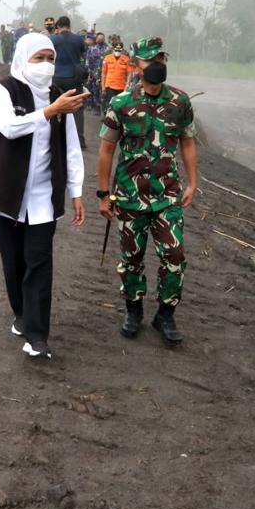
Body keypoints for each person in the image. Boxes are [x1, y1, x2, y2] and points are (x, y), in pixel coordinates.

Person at [0, 32, 88, 359]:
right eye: (39, 59)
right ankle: (22, 315)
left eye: (50, 59)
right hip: (5, 194)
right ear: (23, 59)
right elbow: (9, 127)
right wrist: (49, 111)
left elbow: (70, 147)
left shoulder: (58, 97)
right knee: (14, 263)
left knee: (39, 262)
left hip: (42, 197)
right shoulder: (2, 89)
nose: (46, 66)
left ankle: (37, 337)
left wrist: (75, 191)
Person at [97, 36, 198, 348]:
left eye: (161, 59)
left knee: (175, 255)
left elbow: (187, 142)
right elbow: (106, 150)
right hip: (129, 196)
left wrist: (193, 182)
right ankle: (134, 310)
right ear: (136, 65)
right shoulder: (121, 104)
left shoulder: (180, 102)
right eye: (150, 60)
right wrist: (103, 194)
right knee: (132, 259)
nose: (158, 65)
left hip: (168, 195)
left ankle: (166, 313)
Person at [50, 15, 88, 149]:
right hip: (74, 77)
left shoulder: (52, 39)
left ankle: (54, 137)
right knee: (77, 108)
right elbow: (84, 55)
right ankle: (80, 141)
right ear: (69, 26)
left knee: (54, 106)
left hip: (56, 77)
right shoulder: (78, 39)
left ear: (58, 27)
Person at [101, 42, 132, 112]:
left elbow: (130, 73)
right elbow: (103, 73)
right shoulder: (107, 58)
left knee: (120, 105)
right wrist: (103, 86)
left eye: (119, 50)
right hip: (109, 85)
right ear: (113, 49)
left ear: (122, 50)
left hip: (122, 86)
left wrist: (127, 84)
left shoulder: (126, 59)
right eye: (116, 50)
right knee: (111, 104)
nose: (117, 52)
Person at [86, 31, 108, 113]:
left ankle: (103, 109)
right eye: (99, 38)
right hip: (94, 73)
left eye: (102, 39)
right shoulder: (92, 48)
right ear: (96, 39)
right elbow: (88, 62)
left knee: (103, 91)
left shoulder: (108, 48)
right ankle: (96, 108)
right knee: (94, 90)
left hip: (105, 73)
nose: (100, 40)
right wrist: (88, 74)